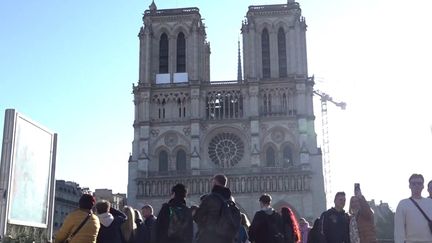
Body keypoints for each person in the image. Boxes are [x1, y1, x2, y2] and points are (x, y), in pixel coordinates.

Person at [194, 174, 240, 243]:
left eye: (212, 182)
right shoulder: (231, 204)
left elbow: (198, 217)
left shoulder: (210, 198)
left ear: (215, 183)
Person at [394, 173, 432, 243]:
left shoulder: (430, 203)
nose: (416, 186)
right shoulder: (403, 204)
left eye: (419, 183)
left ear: (423, 186)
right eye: (413, 184)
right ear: (409, 186)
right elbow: (399, 230)